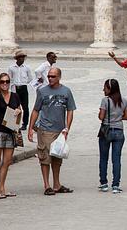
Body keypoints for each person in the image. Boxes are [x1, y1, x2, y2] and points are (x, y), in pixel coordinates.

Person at [28, 67, 76, 196]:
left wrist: (67, 128)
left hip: (59, 130)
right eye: (49, 76)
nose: (50, 78)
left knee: (57, 157)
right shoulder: (42, 91)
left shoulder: (66, 91)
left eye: (53, 76)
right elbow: (36, 109)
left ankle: (56, 184)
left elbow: (70, 110)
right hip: (45, 129)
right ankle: (47, 185)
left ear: (59, 77)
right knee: (45, 158)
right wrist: (30, 127)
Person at [0, 73, 22, 199]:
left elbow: (19, 111)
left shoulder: (14, 96)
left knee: (7, 161)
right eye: (2, 82)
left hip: (10, 131)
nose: (5, 84)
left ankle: (2, 188)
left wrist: (19, 112)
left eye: (7, 81)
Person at [98, 79, 127, 194]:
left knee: (103, 158)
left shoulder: (105, 101)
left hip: (106, 130)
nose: (103, 90)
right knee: (116, 159)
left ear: (110, 89)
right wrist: (118, 117)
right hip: (119, 130)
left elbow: (101, 117)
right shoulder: (124, 101)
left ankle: (103, 183)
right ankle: (116, 185)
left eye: (105, 88)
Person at [8, 50, 34, 130]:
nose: (22, 59)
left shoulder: (27, 68)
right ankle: (13, 123)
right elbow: (10, 78)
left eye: (23, 58)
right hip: (15, 88)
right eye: (21, 58)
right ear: (17, 59)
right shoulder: (11, 68)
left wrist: (24, 83)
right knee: (14, 106)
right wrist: (12, 88)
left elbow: (30, 78)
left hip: (23, 88)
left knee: (25, 107)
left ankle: (25, 124)